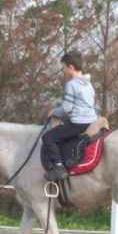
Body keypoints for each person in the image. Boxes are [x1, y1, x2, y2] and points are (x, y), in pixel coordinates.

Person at [42, 50, 99, 181]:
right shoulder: (88, 83)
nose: (63, 70)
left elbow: (67, 109)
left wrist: (53, 112)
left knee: (48, 137)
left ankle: (59, 167)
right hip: (91, 120)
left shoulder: (71, 84)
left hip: (78, 123)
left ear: (71, 67)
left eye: (64, 67)